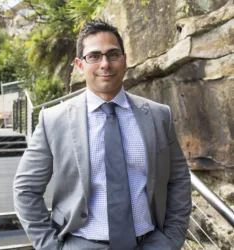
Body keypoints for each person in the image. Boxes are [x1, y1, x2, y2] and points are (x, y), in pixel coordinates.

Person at [13, 20, 191, 250]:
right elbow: (26, 189)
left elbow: (178, 180)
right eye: (94, 56)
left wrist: (171, 239)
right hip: (81, 243)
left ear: (125, 60)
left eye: (112, 54)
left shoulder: (159, 116)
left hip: (149, 243)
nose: (105, 64)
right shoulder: (53, 120)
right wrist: (50, 246)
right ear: (80, 64)